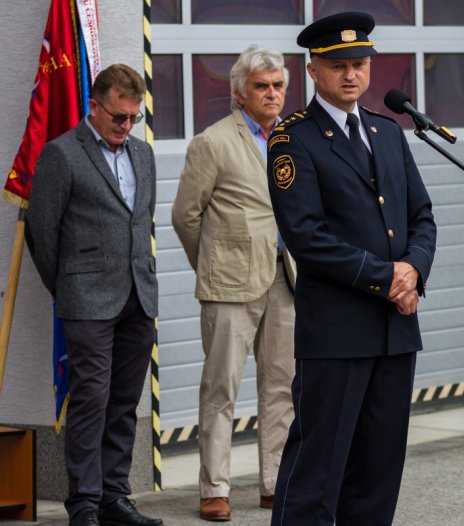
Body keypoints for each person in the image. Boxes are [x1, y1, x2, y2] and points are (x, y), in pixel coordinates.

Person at [266, 11, 437, 526]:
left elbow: (421, 215)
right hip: (338, 330)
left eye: (359, 63)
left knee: (379, 469)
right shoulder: (293, 139)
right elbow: (307, 236)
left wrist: (414, 270)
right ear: (313, 70)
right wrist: (388, 278)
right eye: (337, 64)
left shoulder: (388, 133)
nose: (350, 75)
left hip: (395, 330)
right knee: (318, 469)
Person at [25, 64, 161, 526]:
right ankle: (84, 502)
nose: (126, 126)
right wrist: (68, 287)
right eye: (118, 117)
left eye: (133, 117)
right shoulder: (62, 155)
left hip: (138, 297)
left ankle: (115, 497)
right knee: (92, 399)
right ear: (94, 107)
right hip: (87, 301)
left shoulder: (143, 155)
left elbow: (141, 223)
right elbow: (42, 235)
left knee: (125, 401)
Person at [171, 46, 297, 521]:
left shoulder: (293, 136)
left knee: (282, 386)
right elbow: (186, 216)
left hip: (286, 279)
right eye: (262, 86)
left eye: (278, 85)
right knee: (221, 388)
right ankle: (214, 488)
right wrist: (213, 264)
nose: (272, 93)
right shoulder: (213, 141)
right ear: (240, 92)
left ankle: (274, 483)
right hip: (228, 285)